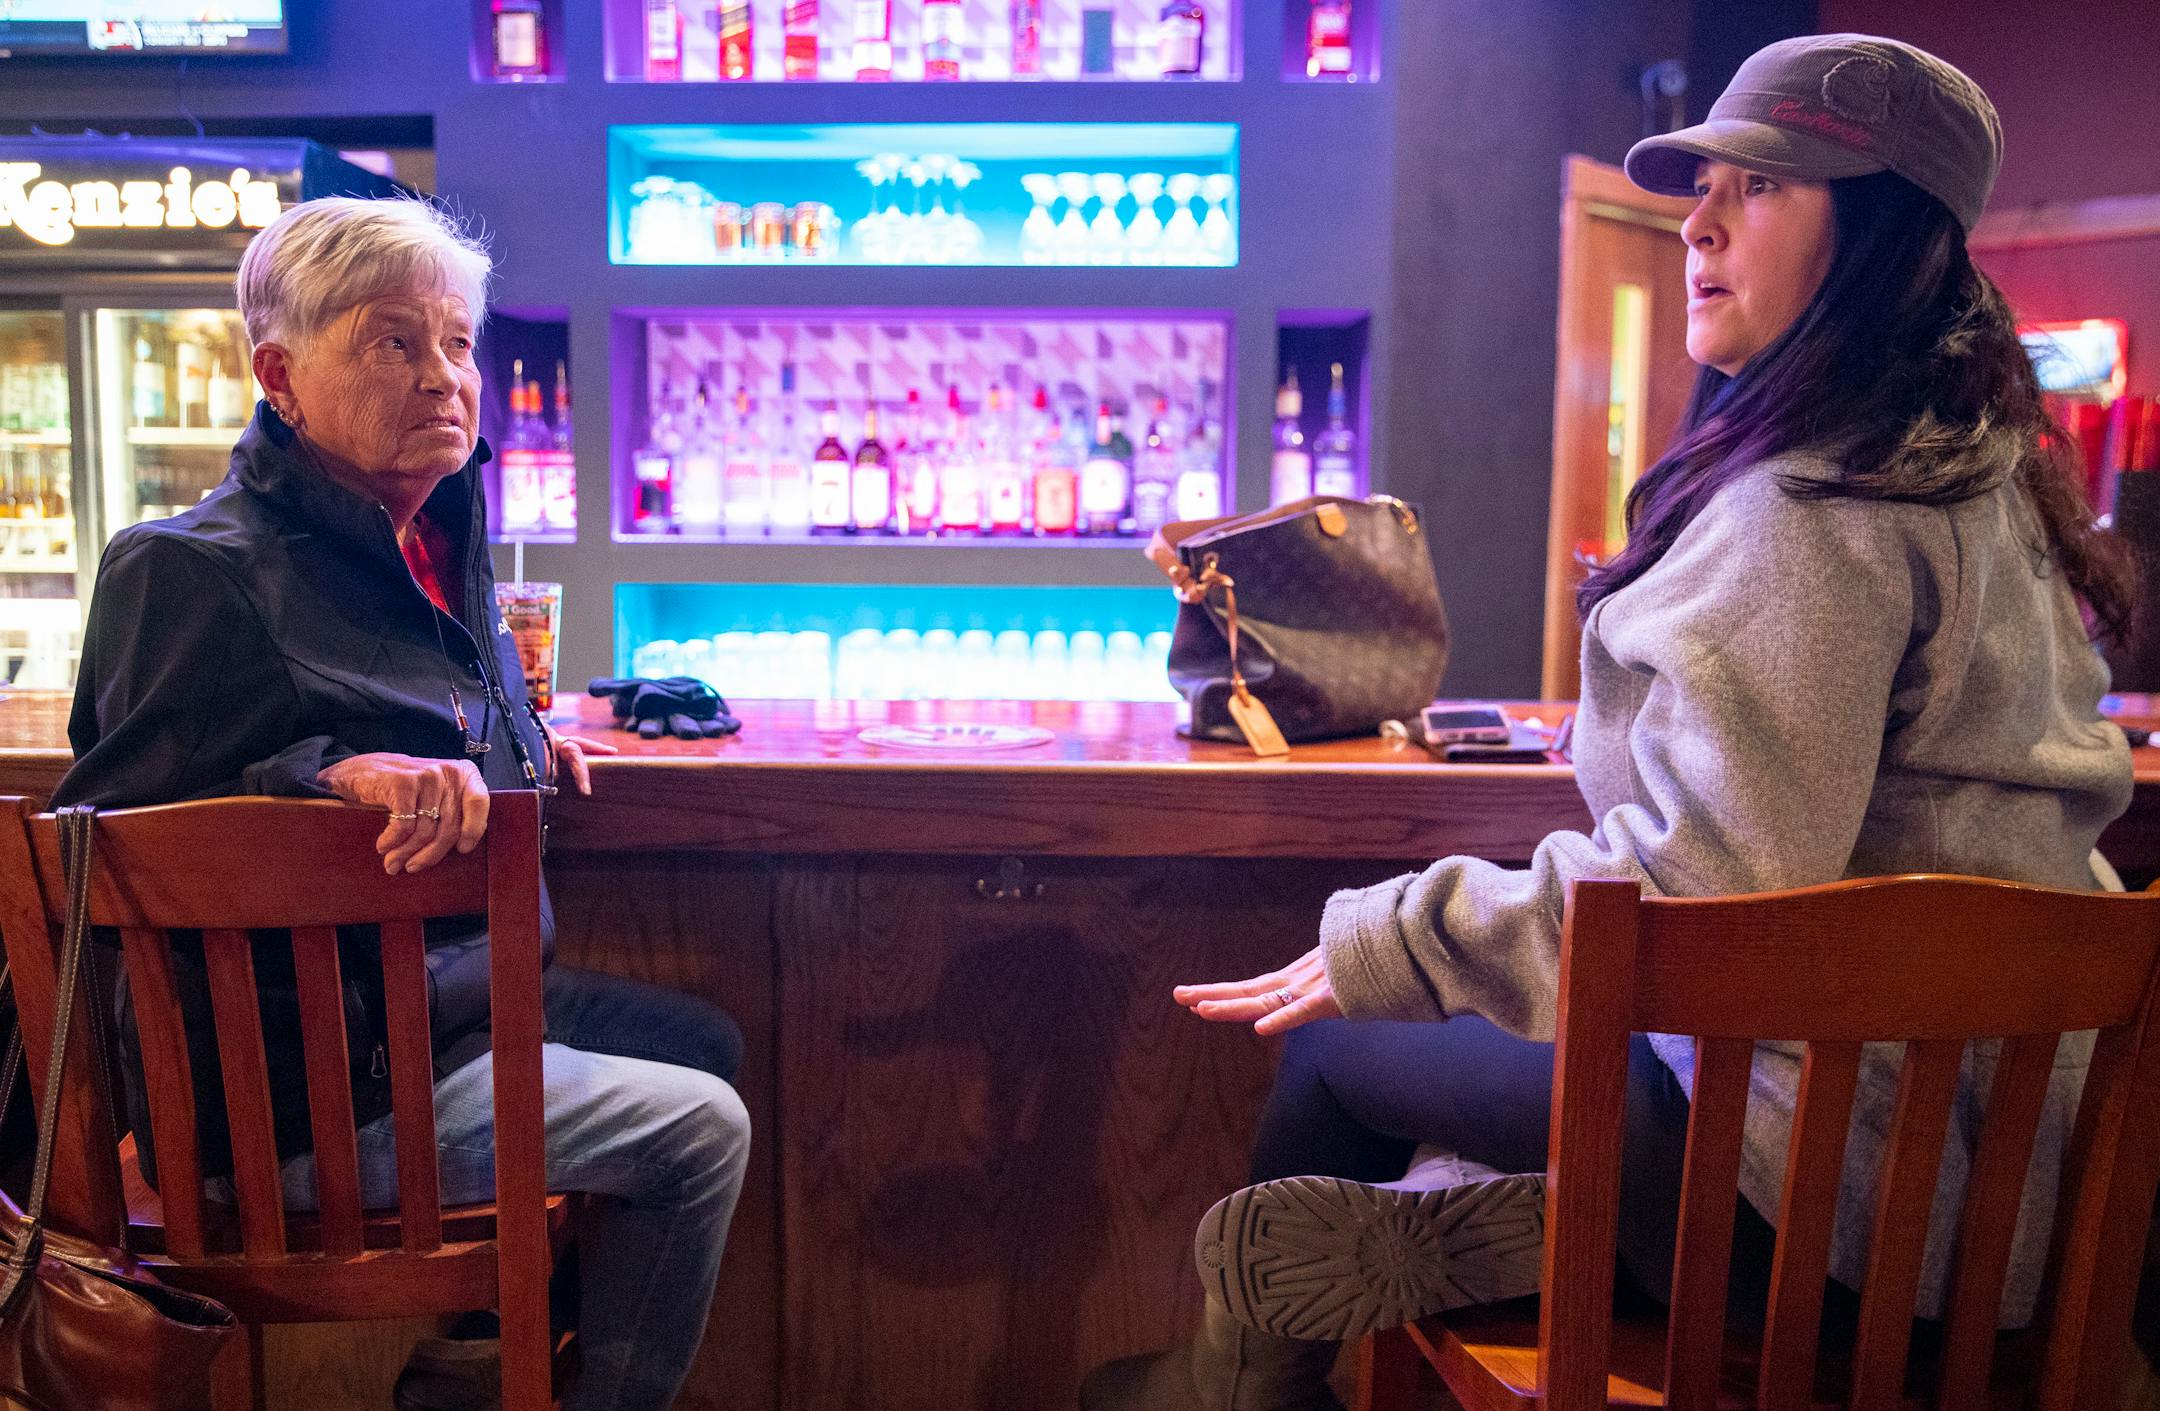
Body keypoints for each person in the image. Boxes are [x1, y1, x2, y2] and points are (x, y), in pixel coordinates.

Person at [1084, 33, 2134, 1411]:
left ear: (1883, 234)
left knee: (1340, 1043)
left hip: (1827, 1216)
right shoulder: (1985, 485)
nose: (1698, 220)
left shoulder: (1807, 516)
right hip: (2013, 1204)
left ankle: (1243, 1385)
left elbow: (1706, 901)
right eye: (1706, 183)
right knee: (1505, 1051)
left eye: (1762, 188)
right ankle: (1506, 1225)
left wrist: (1394, 939)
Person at [54, 195, 751, 1411]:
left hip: (430, 1006)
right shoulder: (184, 566)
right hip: (302, 1093)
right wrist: (325, 778)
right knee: (701, 1128)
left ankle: (476, 1366)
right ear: (279, 373)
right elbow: (104, 838)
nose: (445, 378)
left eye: (458, 342)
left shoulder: (428, 524)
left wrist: (526, 744)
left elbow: (418, 712)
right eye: (393, 341)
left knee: (707, 1041)